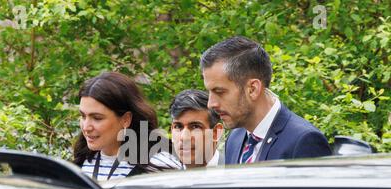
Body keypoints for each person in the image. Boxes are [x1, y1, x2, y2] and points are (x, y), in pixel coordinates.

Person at [200, 36, 332, 164]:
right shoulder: (235, 138)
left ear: (253, 89)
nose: (211, 104)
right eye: (209, 92)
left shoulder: (304, 141)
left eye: (219, 92)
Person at [73, 72, 182, 181]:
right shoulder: (78, 166)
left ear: (126, 119)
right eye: (83, 116)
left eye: (97, 118)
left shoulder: (159, 166)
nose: (86, 127)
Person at [169, 89, 224, 168]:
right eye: (178, 127)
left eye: (195, 127)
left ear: (216, 132)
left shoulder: (236, 172)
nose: (184, 137)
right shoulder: (164, 177)